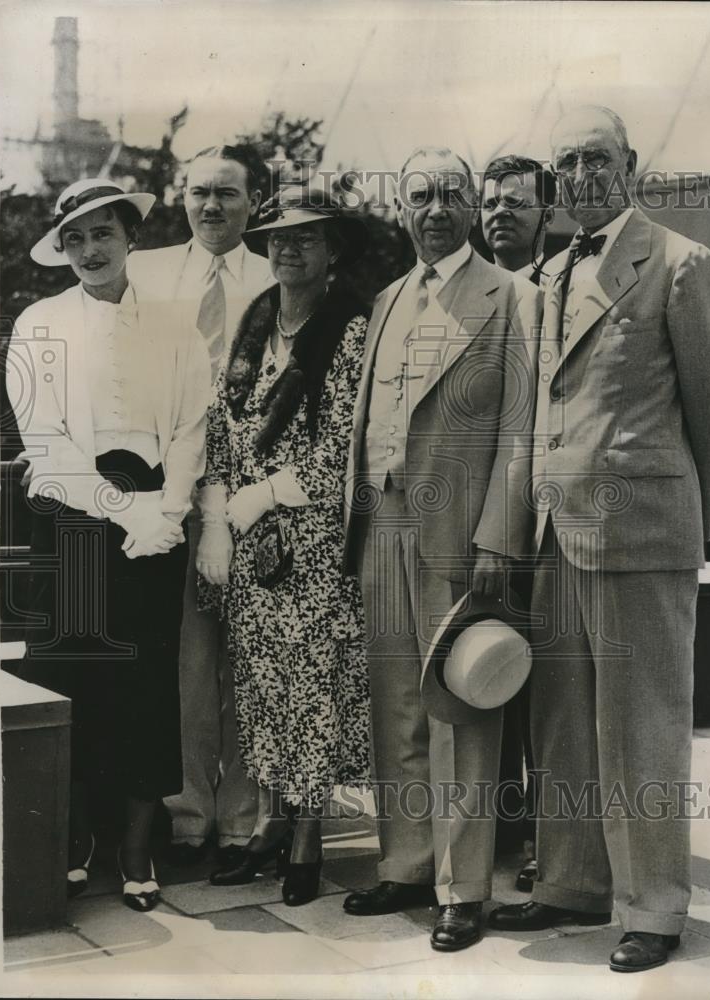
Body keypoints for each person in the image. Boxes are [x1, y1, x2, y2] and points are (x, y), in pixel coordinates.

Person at [488, 106, 710, 974]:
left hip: (639, 532)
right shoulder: (549, 273)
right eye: (568, 163)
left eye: (598, 158)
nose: (584, 176)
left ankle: (654, 907)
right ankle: (570, 881)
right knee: (561, 725)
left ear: (628, 163)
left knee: (641, 727)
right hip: (558, 531)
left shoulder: (680, 263)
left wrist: (686, 525)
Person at [342, 147, 541, 952]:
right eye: (419, 194)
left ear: (470, 206)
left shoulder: (513, 297)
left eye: (449, 195)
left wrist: (499, 532)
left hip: (460, 534)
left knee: (460, 706)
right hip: (383, 521)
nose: (434, 209)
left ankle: (463, 889)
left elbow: (521, 430)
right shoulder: (388, 299)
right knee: (395, 704)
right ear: (402, 207)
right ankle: (405, 863)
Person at [5, 178, 209, 911]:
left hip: (156, 527)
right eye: (77, 237)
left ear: (131, 239)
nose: (92, 249)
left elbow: (190, 429)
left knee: (145, 685)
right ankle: (69, 839)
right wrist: (125, 513)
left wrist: (169, 513)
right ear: (62, 249)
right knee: (70, 677)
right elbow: (45, 443)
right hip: (74, 523)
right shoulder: (39, 324)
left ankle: (134, 848)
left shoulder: (175, 325)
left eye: (105, 233)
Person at [197, 186, 371, 907]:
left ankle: (306, 835)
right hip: (247, 537)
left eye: (306, 236)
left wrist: (260, 498)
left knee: (308, 689)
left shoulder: (347, 327)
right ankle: (270, 823)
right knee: (261, 689)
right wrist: (219, 513)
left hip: (310, 539)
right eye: (276, 236)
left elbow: (338, 451)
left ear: (332, 248)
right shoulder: (256, 319)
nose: (288, 248)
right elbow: (222, 422)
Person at [128, 144, 273, 871]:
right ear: (180, 198)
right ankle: (187, 815)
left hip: (253, 497)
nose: (210, 206)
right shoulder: (146, 272)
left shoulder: (279, 274)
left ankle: (245, 817)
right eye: (197, 193)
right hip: (172, 489)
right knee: (186, 661)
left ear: (253, 202)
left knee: (246, 659)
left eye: (226, 194)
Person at [480, 153, 557, 891]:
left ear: (545, 214)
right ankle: (498, 827)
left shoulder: (561, 287)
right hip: (469, 518)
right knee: (481, 667)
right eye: (491, 203)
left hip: (547, 521)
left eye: (517, 203)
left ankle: (544, 837)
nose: (501, 213)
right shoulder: (466, 292)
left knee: (542, 684)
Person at [480, 154, 556, 285]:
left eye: (514, 203)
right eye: (490, 205)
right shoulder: (466, 289)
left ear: (547, 217)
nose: (499, 211)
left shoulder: (564, 288)